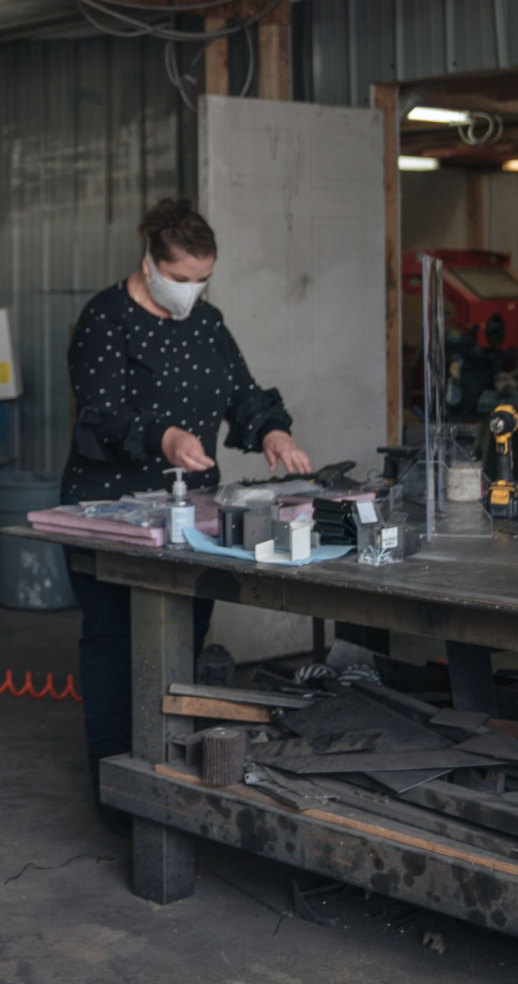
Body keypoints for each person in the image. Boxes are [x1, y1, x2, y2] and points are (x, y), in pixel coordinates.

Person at [61, 198, 311, 800]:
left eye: (202, 280)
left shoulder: (207, 323)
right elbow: (100, 415)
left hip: (191, 517)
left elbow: (242, 394)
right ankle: (115, 780)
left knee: (183, 639)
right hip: (108, 510)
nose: (191, 292)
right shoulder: (105, 319)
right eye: (180, 279)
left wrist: (271, 428)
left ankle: (170, 766)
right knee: (116, 644)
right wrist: (163, 437)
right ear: (149, 263)